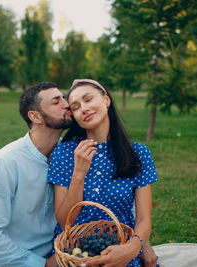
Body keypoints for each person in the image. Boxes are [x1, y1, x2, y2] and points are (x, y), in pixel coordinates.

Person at [47, 79, 159, 267]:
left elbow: (143, 219)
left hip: (121, 248)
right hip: (75, 253)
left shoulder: (138, 153)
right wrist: (79, 173)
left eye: (88, 99)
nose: (84, 108)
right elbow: (65, 220)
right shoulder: (64, 153)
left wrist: (131, 249)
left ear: (106, 99)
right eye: (75, 107)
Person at [0, 82, 72, 267]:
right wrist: (42, 264)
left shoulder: (70, 156)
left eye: (64, 98)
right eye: (56, 101)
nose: (66, 104)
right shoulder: (5, 163)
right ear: (35, 116)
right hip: (16, 261)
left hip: (61, 255)